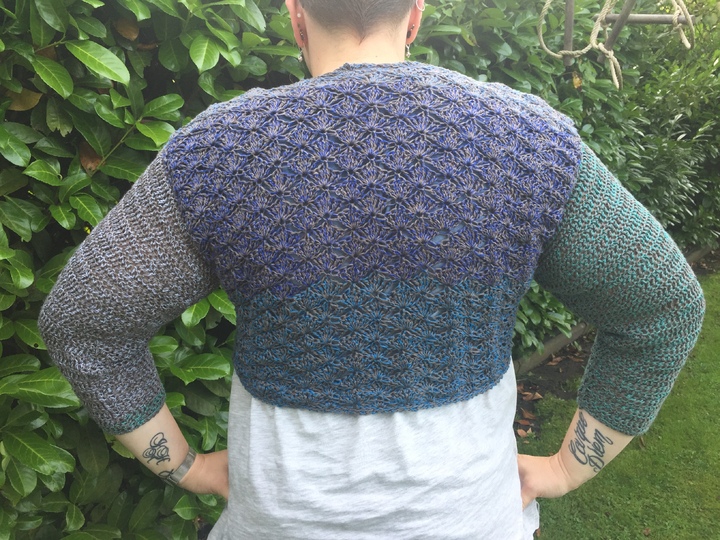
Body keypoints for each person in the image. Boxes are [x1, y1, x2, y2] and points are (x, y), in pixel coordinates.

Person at [38, 0, 705, 538]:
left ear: (296, 18)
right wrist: (564, 468)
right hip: (469, 519)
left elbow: (82, 324)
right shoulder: (528, 143)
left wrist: (185, 467)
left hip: (284, 522)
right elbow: (664, 306)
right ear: (415, 17)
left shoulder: (216, 154)